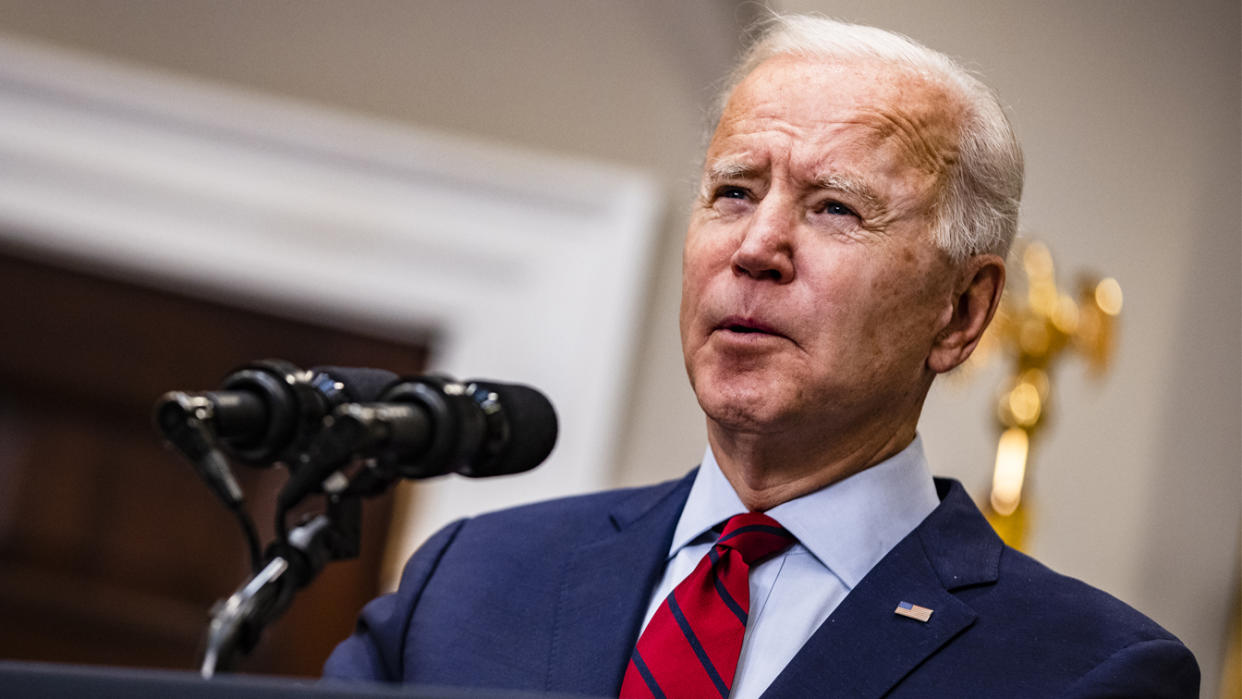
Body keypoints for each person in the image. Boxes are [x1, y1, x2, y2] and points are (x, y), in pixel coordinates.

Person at [322, 15, 1198, 698]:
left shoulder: (1088, 672)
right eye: (734, 192)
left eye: (835, 210)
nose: (757, 246)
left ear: (962, 311)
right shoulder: (472, 577)